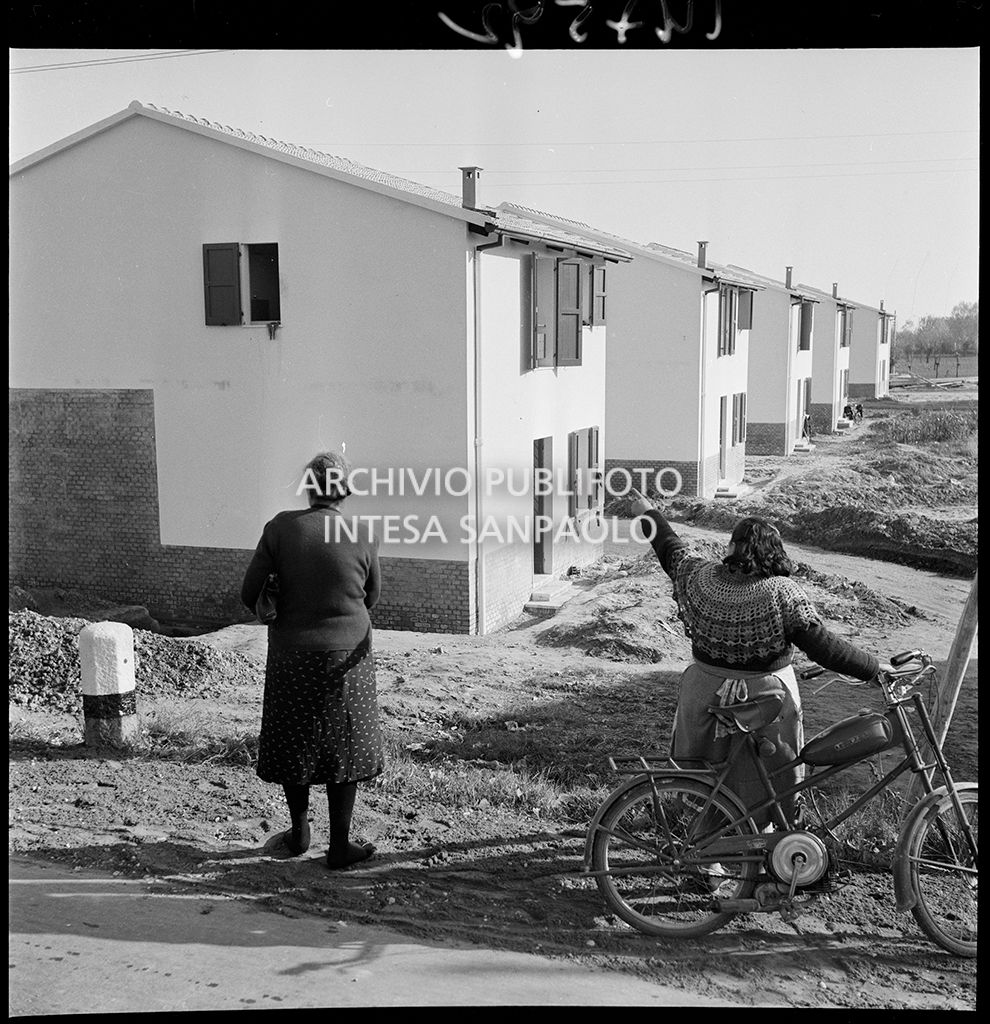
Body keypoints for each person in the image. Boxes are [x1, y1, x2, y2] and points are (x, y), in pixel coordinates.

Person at [628, 488, 890, 828]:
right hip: (768, 701)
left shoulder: (700, 577)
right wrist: (872, 667)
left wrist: (647, 512)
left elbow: (669, 548)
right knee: (774, 777)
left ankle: (707, 859)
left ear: (733, 548)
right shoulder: (782, 593)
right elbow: (823, 646)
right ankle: (772, 845)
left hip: (702, 697)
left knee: (703, 778)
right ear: (774, 552)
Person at [241, 451, 383, 869]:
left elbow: (250, 593)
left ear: (308, 489)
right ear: (345, 491)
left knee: (295, 740)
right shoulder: (362, 531)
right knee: (344, 746)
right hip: (347, 659)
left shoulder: (281, 529)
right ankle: (340, 845)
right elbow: (371, 597)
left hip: (292, 654)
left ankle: (299, 832)